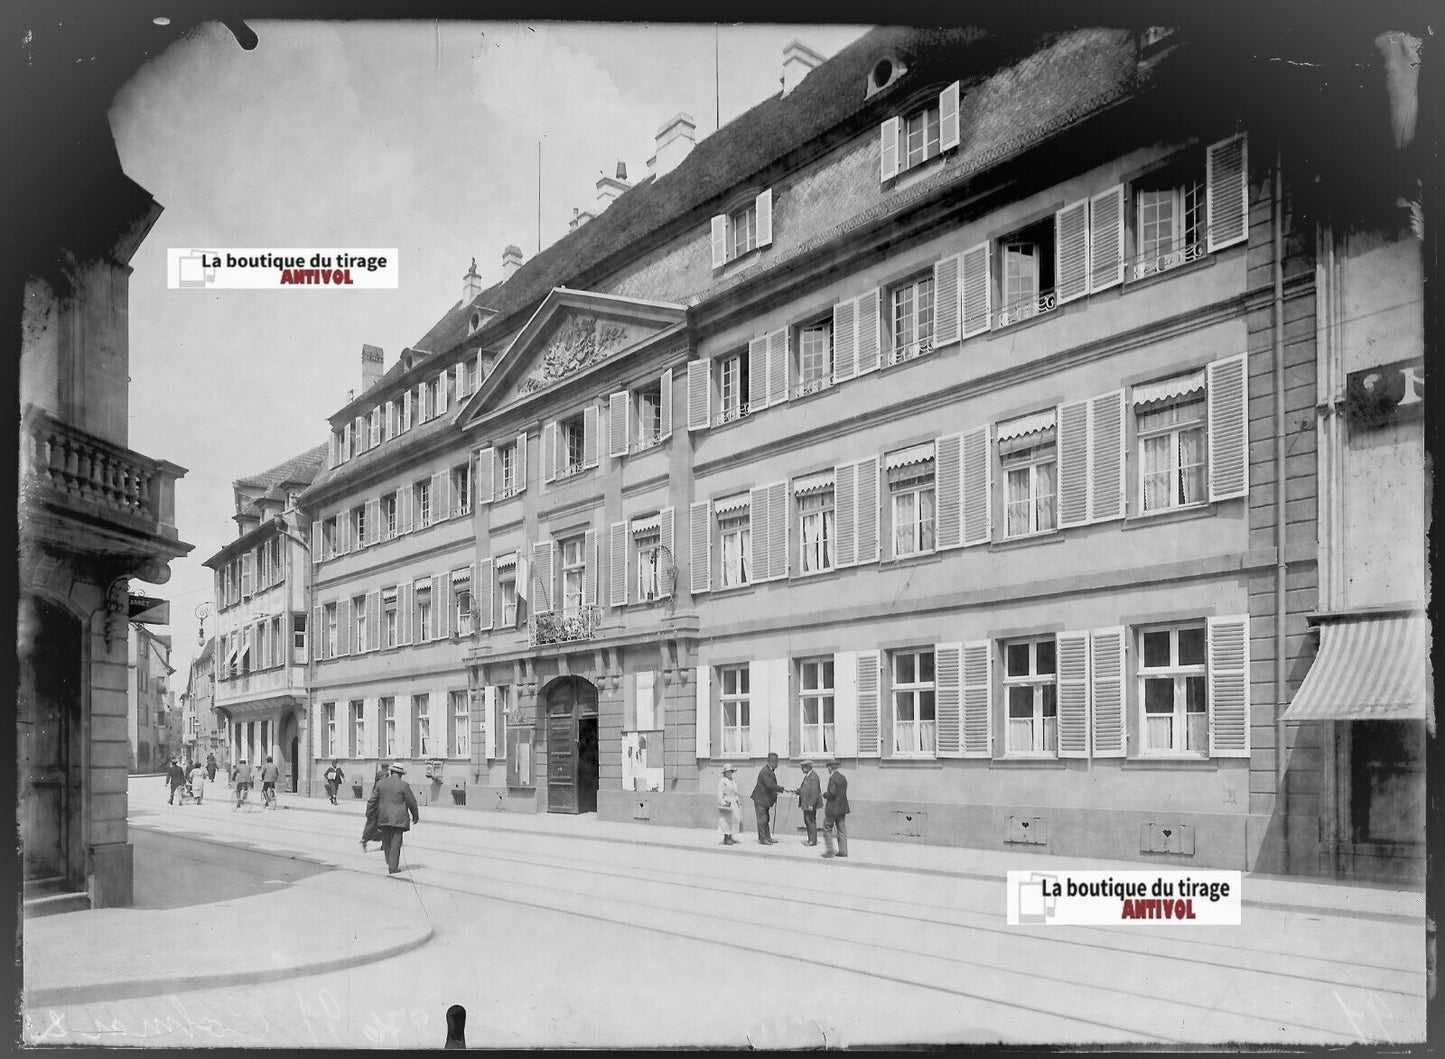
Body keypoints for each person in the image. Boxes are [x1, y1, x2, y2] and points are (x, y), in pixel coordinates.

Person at [366, 762, 420, 874]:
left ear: (391, 772)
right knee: (396, 841)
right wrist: (415, 815)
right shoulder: (404, 785)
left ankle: (389, 860)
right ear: (400, 774)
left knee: (386, 840)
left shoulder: (381, 784)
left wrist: (369, 812)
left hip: (384, 816)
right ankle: (393, 867)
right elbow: (412, 802)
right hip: (399, 819)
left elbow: (372, 800)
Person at [750, 752, 784, 845]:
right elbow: (770, 785)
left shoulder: (770, 770)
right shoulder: (765, 771)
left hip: (764, 799)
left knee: (766, 819)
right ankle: (763, 839)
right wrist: (783, 789)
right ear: (771, 762)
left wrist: (775, 791)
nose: (777, 764)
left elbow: (769, 786)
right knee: (762, 819)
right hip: (760, 799)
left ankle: (767, 837)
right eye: (776, 762)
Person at [821, 759, 850, 859]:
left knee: (827, 827)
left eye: (828, 768)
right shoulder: (843, 778)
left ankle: (830, 850)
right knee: (841, 829)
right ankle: (843, 851)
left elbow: (832, 794)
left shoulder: (833, 778)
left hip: (833, 809)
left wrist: (825, 795)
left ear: (830, 768)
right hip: (842, 808)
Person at [794, 759, 823, 846]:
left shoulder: (813, 777)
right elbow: (805, 789)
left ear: (808, 767)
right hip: (806, 803)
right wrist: (797, 791)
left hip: (809, 804)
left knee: (810, 821)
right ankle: (810, 839)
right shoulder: (808, 776)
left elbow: (815, 792)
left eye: (803, 767)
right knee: (807, 821)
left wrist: (811, 804)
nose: (801, 769)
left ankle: (813, 841)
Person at [716, 764, 742, 845]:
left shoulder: (732, 781)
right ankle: (726, 838)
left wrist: (737, 799)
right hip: (727, 802)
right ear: (724, 773)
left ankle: (731, 836)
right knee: (726, 820)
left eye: (730, 771)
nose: (729, 773)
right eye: (727, 772)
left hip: (734, 802)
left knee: (735, 819)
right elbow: (720, 795)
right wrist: (724, 803)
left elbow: (735, 792)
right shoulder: (722, 782)